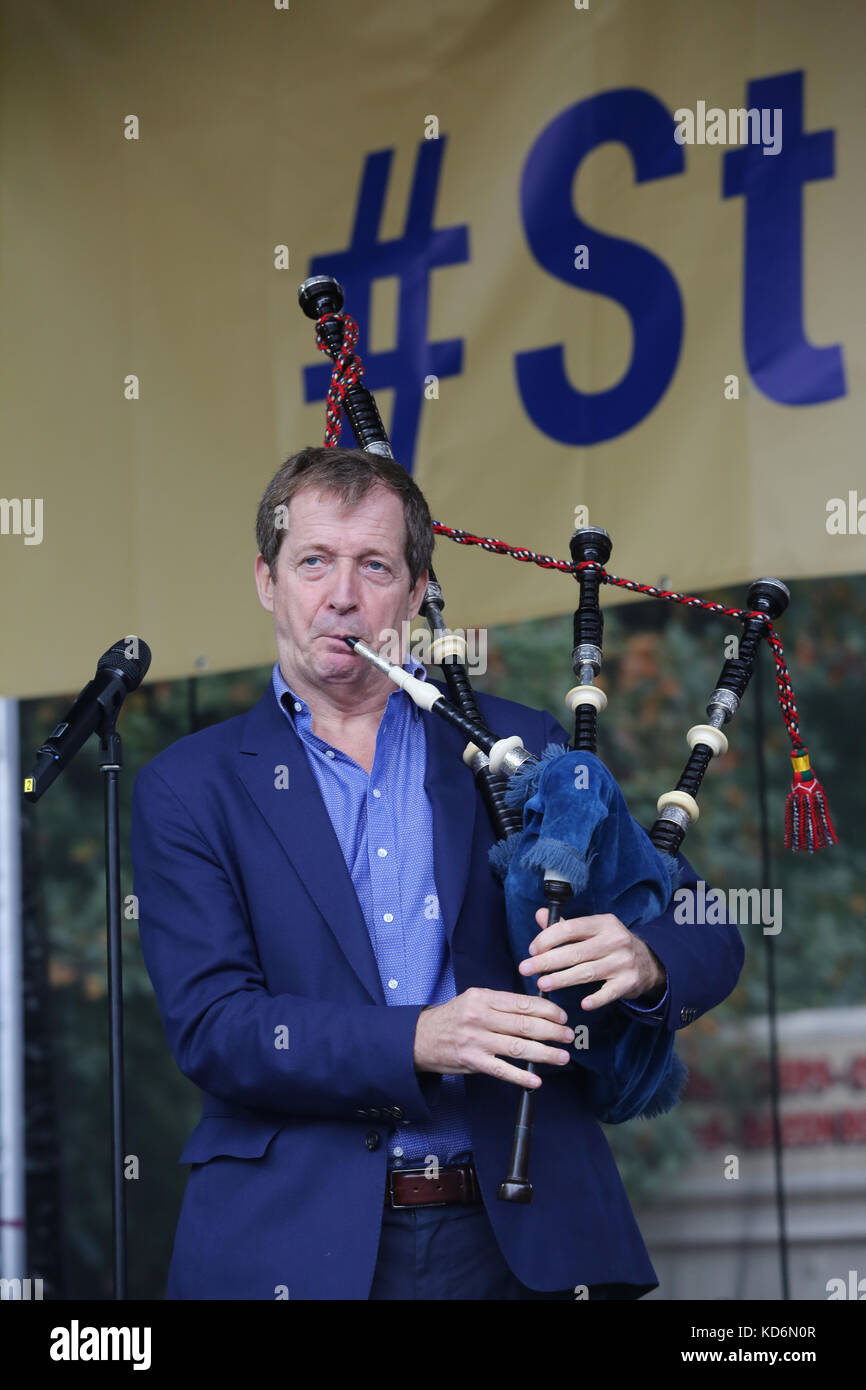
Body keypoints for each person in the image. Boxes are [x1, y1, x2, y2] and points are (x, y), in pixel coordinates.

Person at [131, 445, 744, 1300]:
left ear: (416, 593)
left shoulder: (517, 740)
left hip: (524, 1240)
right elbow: (216, 1027)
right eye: (314, 561)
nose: (342, 594)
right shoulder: (191, 787)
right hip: (292, 1248)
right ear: (268, 579)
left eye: (374, 565)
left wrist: (645, 957)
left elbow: (705, 923)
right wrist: (419, 1039)